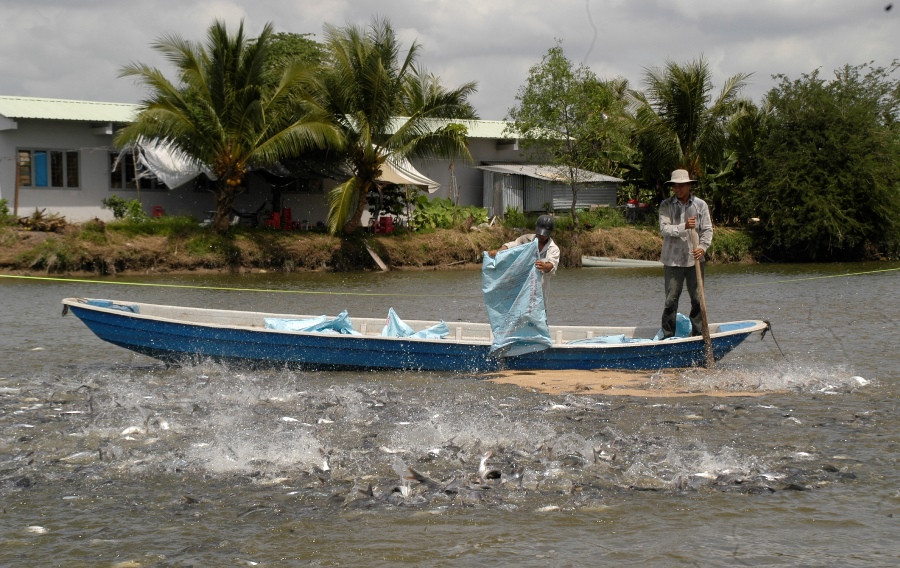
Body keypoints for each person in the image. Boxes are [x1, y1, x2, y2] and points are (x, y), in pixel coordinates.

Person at [659, 169, 713, 338]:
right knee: (671, 300)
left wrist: (703, 247)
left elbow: (707, 230)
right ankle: (668, 335)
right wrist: (684, 226)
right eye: (675, 185)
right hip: (672, 260)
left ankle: (698, 335)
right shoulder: (666, 205)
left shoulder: (700, 205)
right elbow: (664, 229)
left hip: (694, 260)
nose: (678, 189)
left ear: (689, 186)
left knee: (697, 299)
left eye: (682, 185)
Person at [488, 214, 560, 298]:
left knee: (538, 309)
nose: (542, 236)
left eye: (544, 234)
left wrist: (545, 266)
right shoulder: (526, 239)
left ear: (550, 232)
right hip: (520, 287)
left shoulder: (553, 249)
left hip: (538, 291)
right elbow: (512, 246)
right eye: (540, 233)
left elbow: (552, 264)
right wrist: (498, 252)